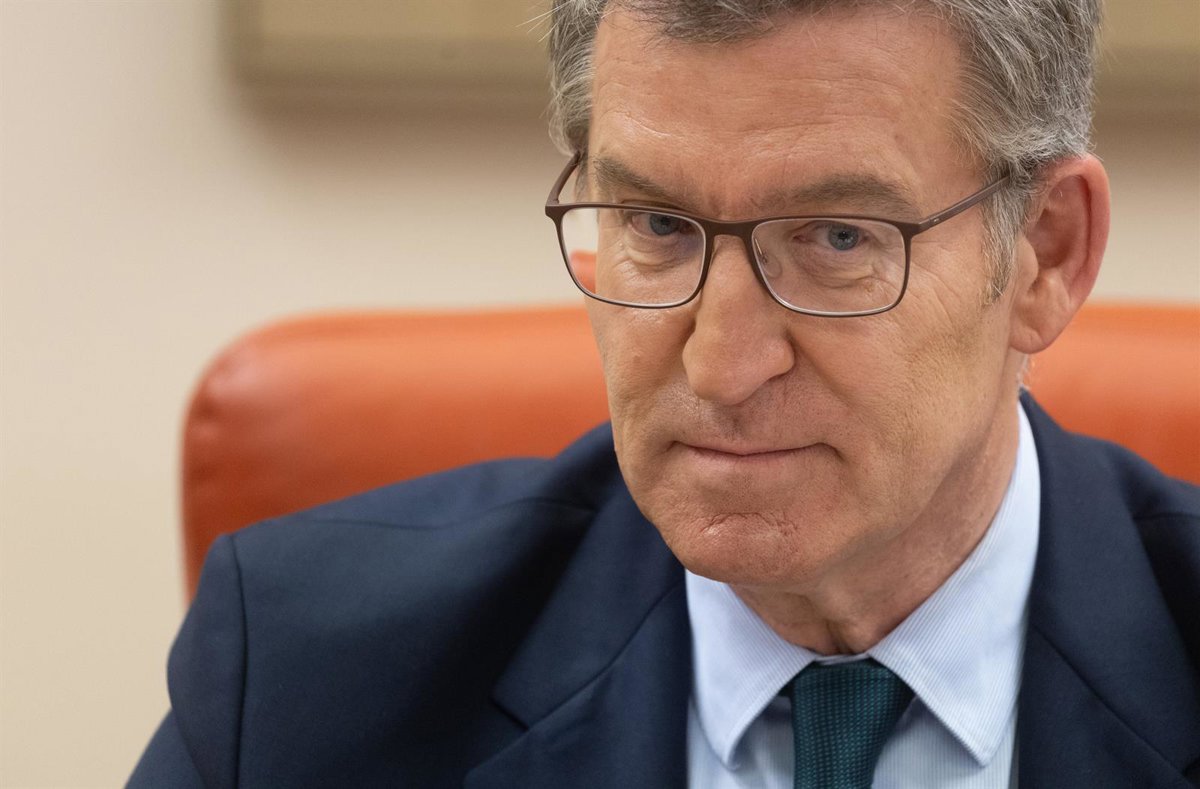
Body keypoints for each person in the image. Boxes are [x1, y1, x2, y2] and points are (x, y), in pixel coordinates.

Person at [129, 1, 1200, 787]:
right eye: (656, 226)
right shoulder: (308, 676)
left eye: (837, 238)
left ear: (1047, 253)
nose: (721, 366)